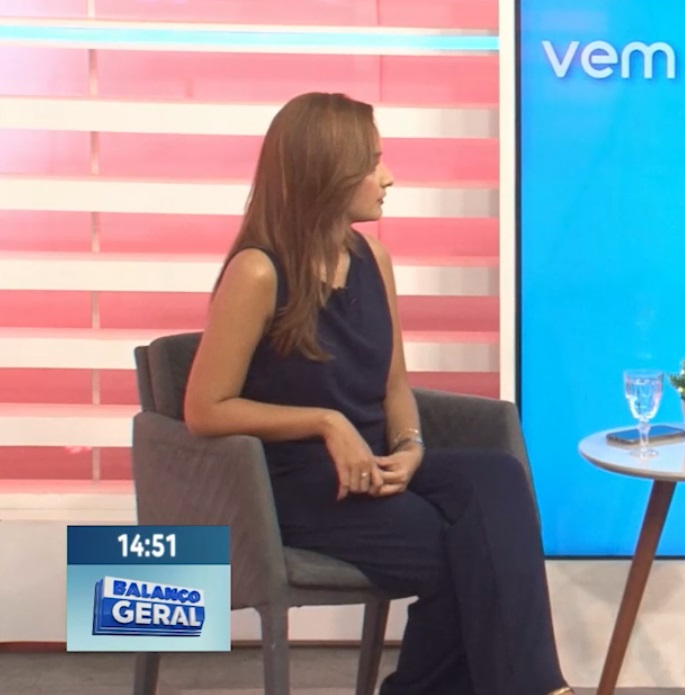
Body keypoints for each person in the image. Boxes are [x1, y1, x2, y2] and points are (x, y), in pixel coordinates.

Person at [183, 92, 573, 695]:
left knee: (495, 476)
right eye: (371, 163)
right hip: (291, 486)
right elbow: (204, 409)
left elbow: (394, 385)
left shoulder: (373, 259)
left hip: (376, 468)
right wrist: (325, 422)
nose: (387, 177)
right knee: (463, 552)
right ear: (325, 173)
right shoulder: (258, 271)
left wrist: (411, 448)